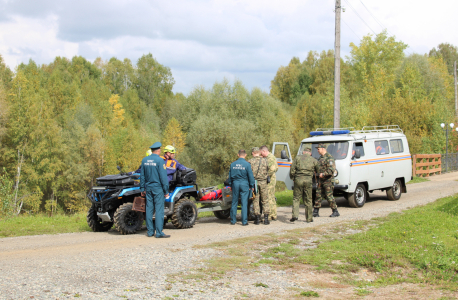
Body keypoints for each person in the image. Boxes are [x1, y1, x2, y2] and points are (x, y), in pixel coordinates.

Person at [140, 142, 171, 238]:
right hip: (158, 189)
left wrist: (142, 188)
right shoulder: (160, 161)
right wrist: (166, 191)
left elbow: (142, 176)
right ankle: (159, 232)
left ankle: (150, 232)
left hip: (148, 188)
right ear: (158, 150)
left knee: (149, 209)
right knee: (159, 210)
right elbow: (163, 178)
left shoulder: (144, 160)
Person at [289, 147, 319, 223]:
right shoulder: (313, 160)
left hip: (298, 180)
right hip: (308, 180)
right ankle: (309, 218)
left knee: (296, 198)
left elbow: (292, 170)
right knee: (308, 199)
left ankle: (295, 215)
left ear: (303, 152)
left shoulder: (297, 158)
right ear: (310, 153)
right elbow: (318, 170)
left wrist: (293, 178)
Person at [228, 149, 255, 226]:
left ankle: (233, 220)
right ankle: (244, 221)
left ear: (238, 154)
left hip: (235, 184)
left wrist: (230, 185)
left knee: (234, 202)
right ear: (245, 155)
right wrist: (252, 185)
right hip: (244, 184)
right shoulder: (247, 164)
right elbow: (250, 176)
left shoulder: (232, 164)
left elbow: (230, 176)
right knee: (244, 203)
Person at [313, 143, 340, 218]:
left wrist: (323, 174)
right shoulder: (321, 158)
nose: (317, 151)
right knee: (318, 195)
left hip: (328, 181)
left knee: (329, 196)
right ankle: (315, 211)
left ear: (322, 149)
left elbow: (331, 170)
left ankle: (335, 211)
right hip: (320, 181)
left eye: (318, 149)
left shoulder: (329, 158)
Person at [248, 147, 270, 225]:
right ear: (259, 152)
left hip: (255, 183)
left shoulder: (250, 161)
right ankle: (266, 219)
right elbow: (268, 170)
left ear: (253, 153)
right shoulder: (265, 160)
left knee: (255, 200)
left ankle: (257, 219)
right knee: (265, 200)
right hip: (263, 182)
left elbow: (248, 173)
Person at [260, 145, 278, 221]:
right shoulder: (267, 157)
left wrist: (264, 175)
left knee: (269, 197)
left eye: (261, 153)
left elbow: (273, 169)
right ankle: (274, 214)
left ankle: (270, 215)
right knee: (271, 197)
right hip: (270, 179)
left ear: (264, 151)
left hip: (269, 179)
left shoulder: (270, 158)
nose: (261, 155)